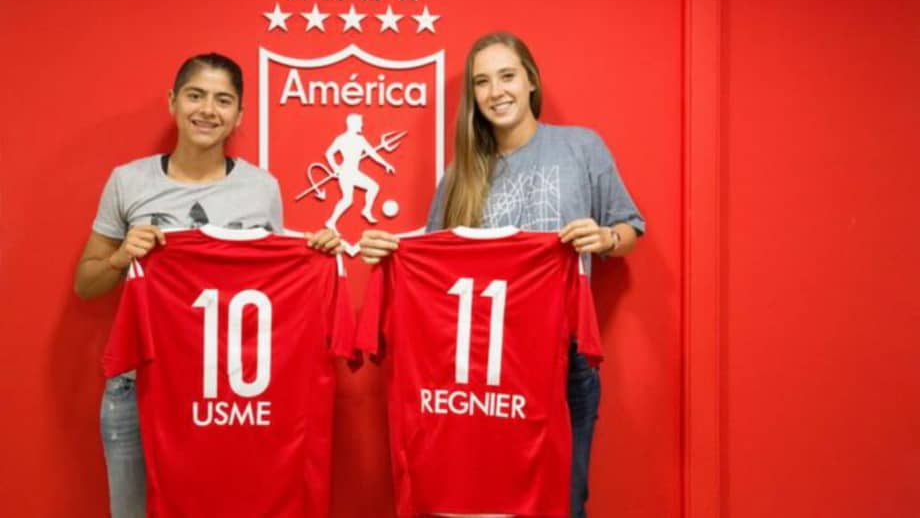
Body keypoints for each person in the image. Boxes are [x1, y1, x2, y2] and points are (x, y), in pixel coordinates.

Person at [359, 32, 645, 518]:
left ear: (530, 81)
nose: (496, 92)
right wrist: (392, 251)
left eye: (507, 76)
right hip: (480, 375)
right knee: (481, 504)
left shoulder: (580, 147)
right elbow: (435, 263)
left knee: (564, 502)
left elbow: (631, 228)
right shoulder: (461, 174)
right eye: (482, 82)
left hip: (562, 360)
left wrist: (605, 238)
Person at [73, 52, 339, 518]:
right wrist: (120, 257)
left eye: (223, 100)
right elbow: (86, 283)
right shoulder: (128, 181)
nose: (207, 110)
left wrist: (314, 254)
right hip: (142, 387)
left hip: (226, 397)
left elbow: (275, 288)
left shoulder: (261, 188)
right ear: (174, 102)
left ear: (239, 114)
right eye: (195, 96)